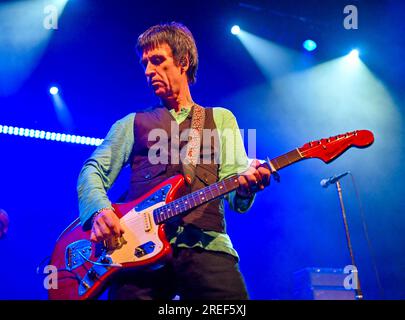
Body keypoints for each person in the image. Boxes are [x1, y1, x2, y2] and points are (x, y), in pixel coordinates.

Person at [77, 22, 271, 300]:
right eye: (144, 63)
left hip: (207, 246)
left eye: (157, 61)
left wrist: (246, 186)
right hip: (136, 252)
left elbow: (237, 189)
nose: (147, 71)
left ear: (183, 62)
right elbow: (91, 170)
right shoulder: (133, 123)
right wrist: (100, 211)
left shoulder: (221, 119)